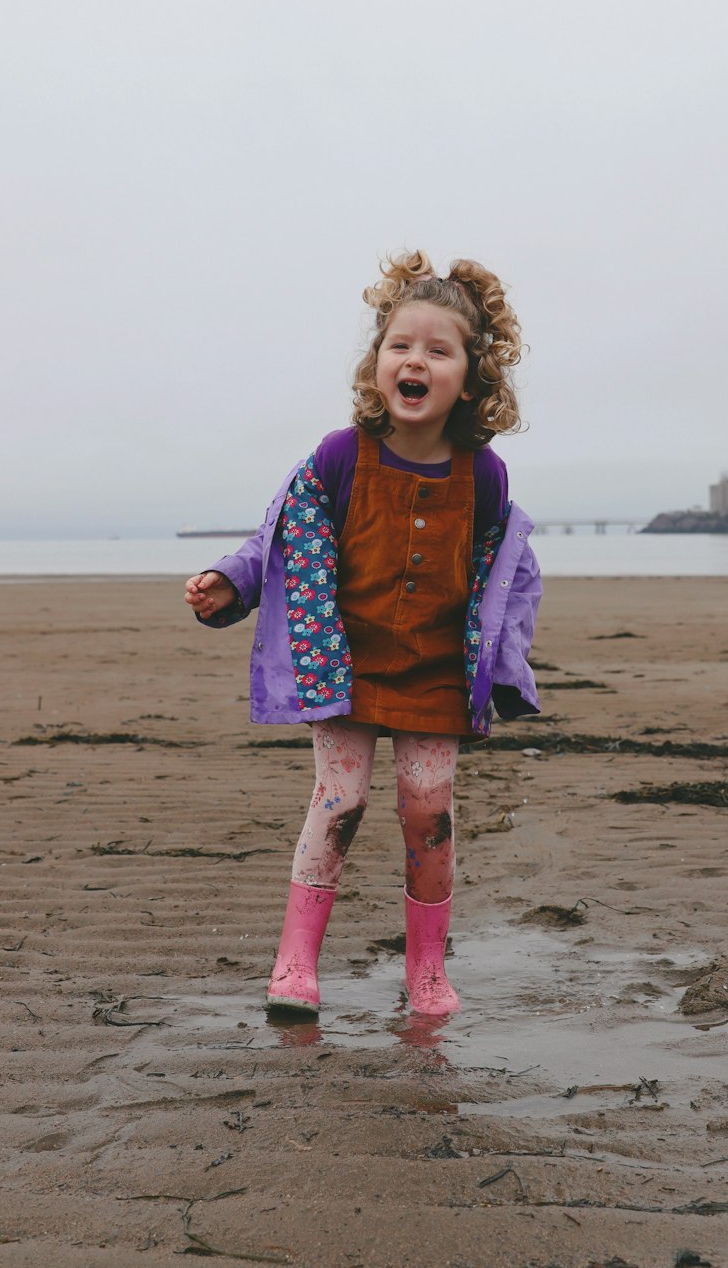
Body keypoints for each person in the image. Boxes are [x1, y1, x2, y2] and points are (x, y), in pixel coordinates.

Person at [184, 251, 541, 1018]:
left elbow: (502, 575)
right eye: (399, 346)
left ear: (472, 377)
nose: (415, 360)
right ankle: (295, 963)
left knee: (427, 810)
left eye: (438, 350)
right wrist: (231, 581)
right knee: (340, 801)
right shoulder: (340, 457)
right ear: (376, 362)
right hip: (342, 666)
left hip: (438, 670)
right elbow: (276, 536)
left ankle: (427, 972)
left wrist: (505, 665)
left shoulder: (486, 476)